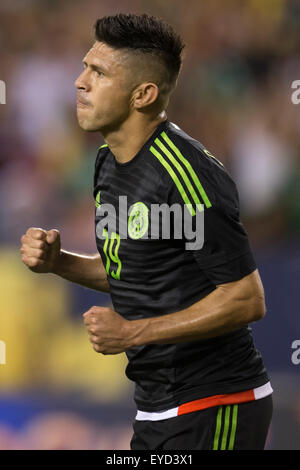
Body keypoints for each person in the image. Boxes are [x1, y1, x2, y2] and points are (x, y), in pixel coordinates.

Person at [20, 13, 273, 450]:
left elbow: (247, 298)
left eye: (98, 72)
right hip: (157, 407)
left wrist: (134, 333)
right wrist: (59, 263)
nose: (80, 82)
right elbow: (132, 269)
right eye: (85, 67)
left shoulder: (186, 173)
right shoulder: (105, 164)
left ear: (143, 94)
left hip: (217, 403)